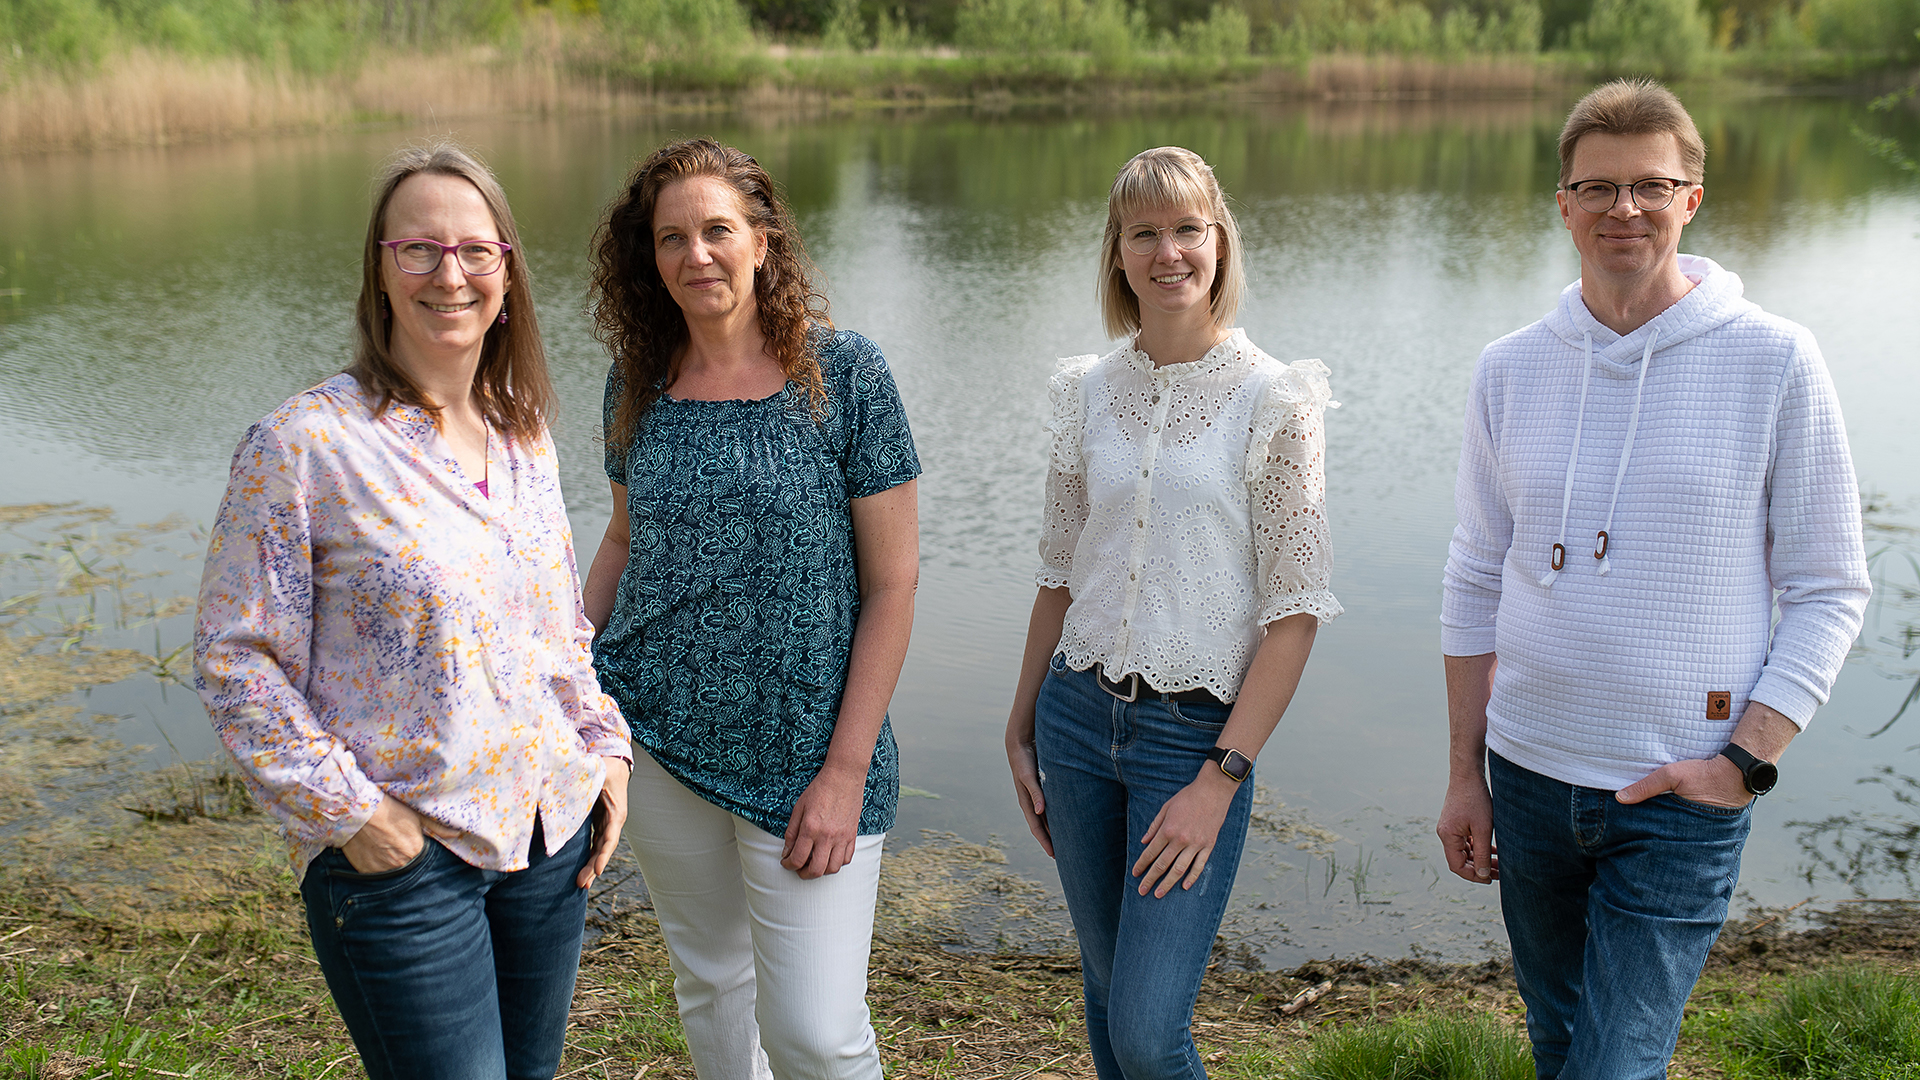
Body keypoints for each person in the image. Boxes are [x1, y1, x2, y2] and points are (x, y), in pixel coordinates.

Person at [1436, 79, 1873, 1079]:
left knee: (1615, 1061)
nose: (1621, 209)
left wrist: (1746, 761)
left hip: (1682, 787)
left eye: (1649, 186)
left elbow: (1830, 586)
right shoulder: (1509, 369)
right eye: (1596, 188)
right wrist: (1467, 773)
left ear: (1692, 199)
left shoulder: (1775, 361)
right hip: (1532, 777)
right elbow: (1473, 575)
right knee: (1558, 1043)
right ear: (1563, 205)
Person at [193, 142, 633, 1080]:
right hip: (406, 863)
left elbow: (560, 631)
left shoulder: (524, 436)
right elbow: (236, 658)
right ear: (380, 272)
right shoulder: (306, 443)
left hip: (547, 840)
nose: (451, 273)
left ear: (507, 276)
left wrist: (603, 747)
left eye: (477, 251)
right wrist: (357, 819)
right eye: (419, 249)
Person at [583, 137, 920, 1080]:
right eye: (672, 238)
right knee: (714, 988)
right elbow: (622, 538)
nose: (697, 255)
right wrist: (565, 667)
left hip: (807, 752)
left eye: (718, 230)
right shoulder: (634, 386)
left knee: (817, 1030)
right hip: (656, 737)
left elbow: (893, 583)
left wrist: (846, 768)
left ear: (764, 242)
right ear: (647, 259)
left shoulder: (844, 375)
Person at [1003, 146, 1341, 1080]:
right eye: (1143, 232)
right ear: (1116, 253)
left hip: (1191, 740)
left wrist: (1222, 776)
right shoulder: (1085, 392)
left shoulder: (1277, 399)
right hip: (1073, 721)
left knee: (1152, 1032)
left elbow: (1296, 611)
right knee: (1110, 1000)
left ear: (1219, 241)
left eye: (1187, 228)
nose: (1168, 252)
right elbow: (1058, 574)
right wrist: (1020, 721)